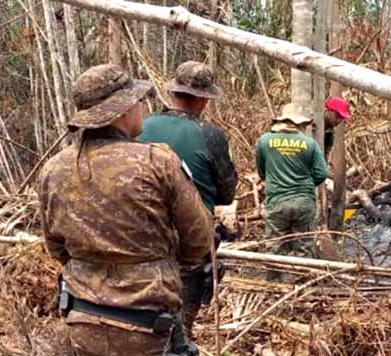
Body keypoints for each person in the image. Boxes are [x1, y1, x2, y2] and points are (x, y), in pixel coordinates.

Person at [37, 64, 233, 356]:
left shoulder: (55, 169)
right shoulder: (156, 162)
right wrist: (162, 259)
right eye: (138, 102)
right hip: (151, 324)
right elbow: (198, 238)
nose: (143, 107)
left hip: (86, 318)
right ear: (123, 111)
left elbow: (54, 246)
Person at [139, 60, 237, 334]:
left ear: (173, 92)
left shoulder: (139, 128)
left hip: (138, 237)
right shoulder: (210, 136)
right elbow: (227, 194)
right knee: (179, 328)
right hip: (189, 242)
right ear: (204, 99)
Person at [255, 103, 330, 270]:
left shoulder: (264, 141)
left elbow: (262, 171)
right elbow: (322, 173)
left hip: (276, 201)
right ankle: (303, 285)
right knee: (304, 246)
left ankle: (274, 286)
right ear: (300, 124)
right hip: (304, 202)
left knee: (275, 247)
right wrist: (307, 185)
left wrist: (275, 181)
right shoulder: (309, 144)